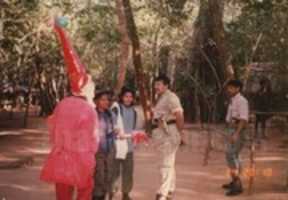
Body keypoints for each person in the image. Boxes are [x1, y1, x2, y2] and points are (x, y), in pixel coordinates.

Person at [41, 17, 98, 200]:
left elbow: (51, 125)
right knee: (85, 190)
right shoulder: (88, 108)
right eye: (92, 83)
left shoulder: (62, 104)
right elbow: (94, 138)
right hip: (82, 158)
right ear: (85, 85)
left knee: (63, 191)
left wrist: (61, 32)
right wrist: (61, 32)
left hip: (61, 156)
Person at [152, 75, 185, 200]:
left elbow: (179, 114)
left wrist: (181, 133)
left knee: (165, 164)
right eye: (155, 84)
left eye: (159, 84)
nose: (156, 87)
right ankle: (169, 190)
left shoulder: (171, 97)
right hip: (162, 132)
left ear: (166, 85)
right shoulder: (161, 98)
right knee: (168, 163)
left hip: (169, 132)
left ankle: (163, 194)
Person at [223, 80, 249, 196]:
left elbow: (243, 119)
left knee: (231, 154)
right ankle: (235, 181)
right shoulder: (233, 101)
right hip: (231, 129)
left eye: (231, 88)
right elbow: (230, 117)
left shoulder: (242, 101)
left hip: (238, 130)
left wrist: (236, 133)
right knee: (233, 155)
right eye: (229, 88)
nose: (229, 90)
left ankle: (238, 185)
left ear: (238, 88)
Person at [111, 87, 137, 200]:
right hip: (116, 146)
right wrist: (117, 131)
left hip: (129, 147)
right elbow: (112, 124)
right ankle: (111, 192)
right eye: (126, 96)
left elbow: (133, 128)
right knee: (114, 172)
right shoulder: (116, 108)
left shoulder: (134, 112)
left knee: (128, 172)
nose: (128, 99)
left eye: (130, 97)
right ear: (122, 97)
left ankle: (125, 194)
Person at [93, 91, 117, 200]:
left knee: (109, 174)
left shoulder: (111, 114)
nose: (106, 102)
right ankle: (97, 196)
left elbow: (114, 131)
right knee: (99, 175)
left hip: (110, 148)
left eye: (107, 99)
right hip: (97, 149)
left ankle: (106, 196)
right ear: (96, 101)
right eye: (103, 99)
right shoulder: (92, 114)